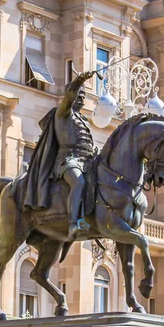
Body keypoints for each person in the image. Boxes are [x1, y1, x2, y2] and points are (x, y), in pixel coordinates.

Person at [19, 71, 97, 241]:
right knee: (79, 182)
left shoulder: (83, 119)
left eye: (84, 95)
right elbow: (69, 97)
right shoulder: (63, 113)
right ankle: (73, 223)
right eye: (79, 95)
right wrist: (80, 80)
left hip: (86, 160)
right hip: (68, 160)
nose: (82, 99)